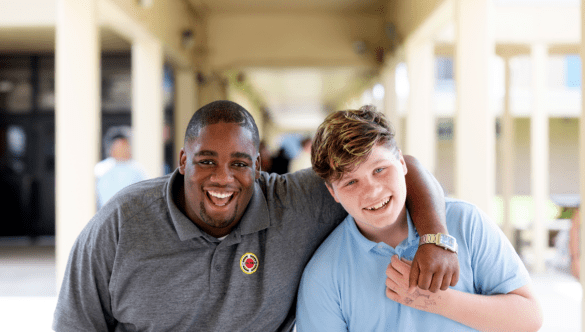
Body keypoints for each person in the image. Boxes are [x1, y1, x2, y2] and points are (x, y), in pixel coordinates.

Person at [53, 100, 458, 332]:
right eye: (206, 161)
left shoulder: (295, 203)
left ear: (259, 165)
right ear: (182, 161)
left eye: (240, 163)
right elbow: (75, 324)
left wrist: (435, 237)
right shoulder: (122, 221)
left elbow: (402, 164)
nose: (223, 178)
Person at [296, 106, 543, 331]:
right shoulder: (323, 275)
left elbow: (529, 319)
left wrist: (436, 300)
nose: (372, 191)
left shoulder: (466, 223)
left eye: (380, 169)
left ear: (402, 163)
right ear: (332, 193)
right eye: (351, 182)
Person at [94, 126, 147, 209]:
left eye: (124, 146)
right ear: (111, 148)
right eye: (118, 147)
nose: (122, 150)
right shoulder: (101, 169)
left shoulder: (137, 170)